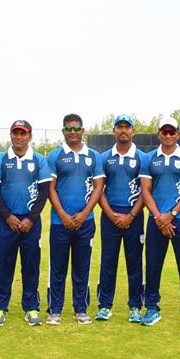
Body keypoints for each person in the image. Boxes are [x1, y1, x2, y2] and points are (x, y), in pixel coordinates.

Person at [0, 120, 51, 326]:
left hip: (31, 223)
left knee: (31, 266)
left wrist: (31, 218)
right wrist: (8, 216)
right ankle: (0, 307)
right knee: (4, 265)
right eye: (15, 133)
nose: (19, 137)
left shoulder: (39, 160)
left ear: (30, 136)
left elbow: (44, 191)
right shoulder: (1, 159)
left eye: (23, 133)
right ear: (11, 135)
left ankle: (31, 307)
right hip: (7, 222)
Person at [138, 117, 180, 328]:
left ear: (178, 134)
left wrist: (171, 214)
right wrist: (159, 217)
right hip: (156, 220)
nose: (168, 135)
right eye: (164, 132)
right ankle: (152, 308)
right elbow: (145, 191)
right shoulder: (149, 158)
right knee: (153, 265)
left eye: (172, 132)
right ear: (159, 134)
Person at [46, 114, 104, 325]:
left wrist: (84, 213)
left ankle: (80, 309)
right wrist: (62, 214)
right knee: (58, 268)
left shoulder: (94, 156)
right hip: (59, 222)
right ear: (63, 131)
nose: (73, 132)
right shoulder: (55, 156)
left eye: (76, 129)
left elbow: (98, 187)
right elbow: (50, 188)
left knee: (82, 267)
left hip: (85, 222)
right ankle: (55, 310)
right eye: (69, 129)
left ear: (82, 131)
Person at [95, 114, 146, 323]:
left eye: (127, 127)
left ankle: (135, 306)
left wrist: (131, 214)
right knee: (108, 261)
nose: (123, 130)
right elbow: (98, 189)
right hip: (110, 215)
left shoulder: (143, 157)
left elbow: (146, 190)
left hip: (134, 215)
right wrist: (110, 213)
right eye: (120, 127)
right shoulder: (104, 158)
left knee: (135, 263)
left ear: (133, 131)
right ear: (114, 130)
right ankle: (105, 305)